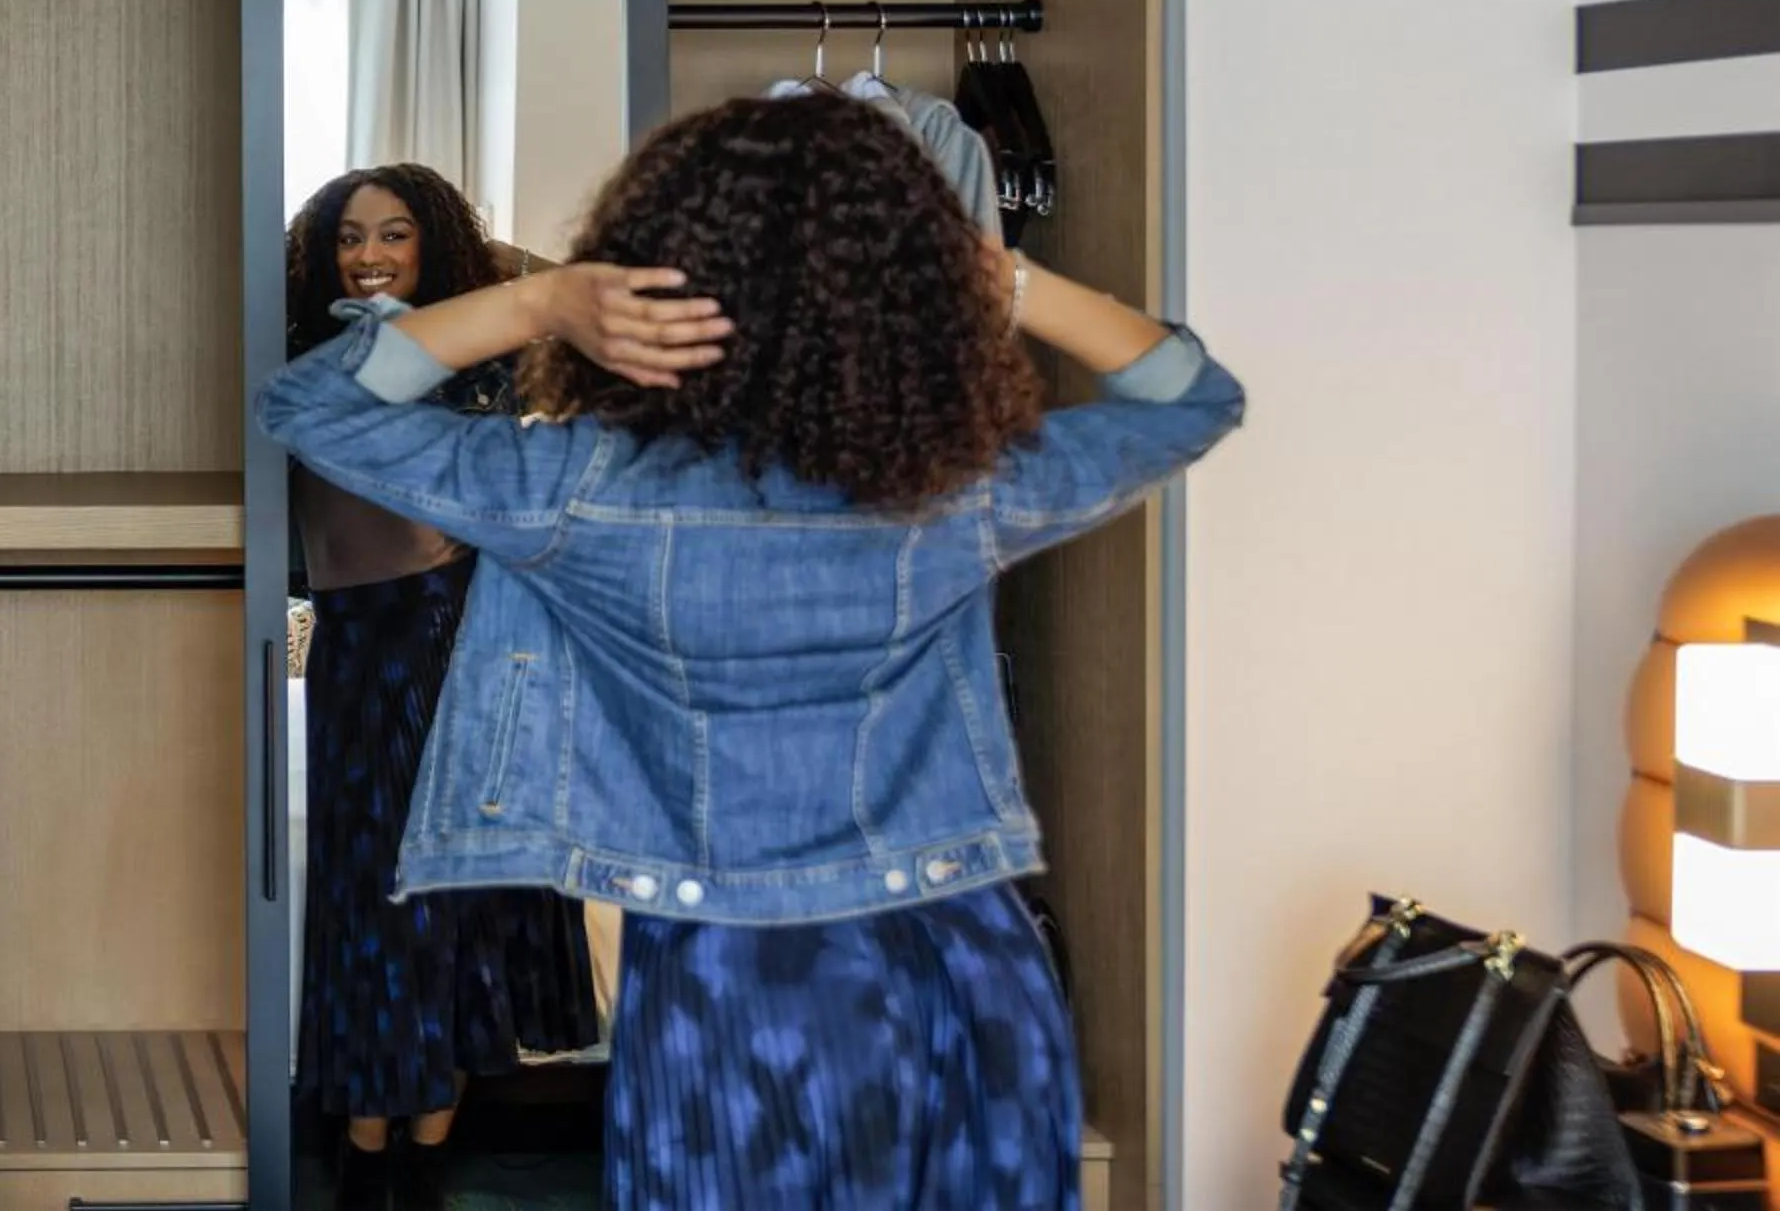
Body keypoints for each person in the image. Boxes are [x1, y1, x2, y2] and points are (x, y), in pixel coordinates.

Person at [257, 93, 1245, 1210]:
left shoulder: (575, 489)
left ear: (655, 279)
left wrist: (537, 299)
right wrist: (1001, 280)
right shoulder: (959, 485)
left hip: (721, 997)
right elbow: (1192, 398)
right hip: (958, 965)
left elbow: (311, 404)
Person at [283, 166, 599, 1211]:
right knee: (373, 900)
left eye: (396, 232)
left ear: (435, 245)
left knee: (456, 903)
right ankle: (367, 1145)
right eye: (349, 237)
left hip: (458, 634)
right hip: (355, 651)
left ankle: (420, 1151)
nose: (369, 254)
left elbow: (577, 297)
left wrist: (488, 263)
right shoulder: (309, 356)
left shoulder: (481, 358)